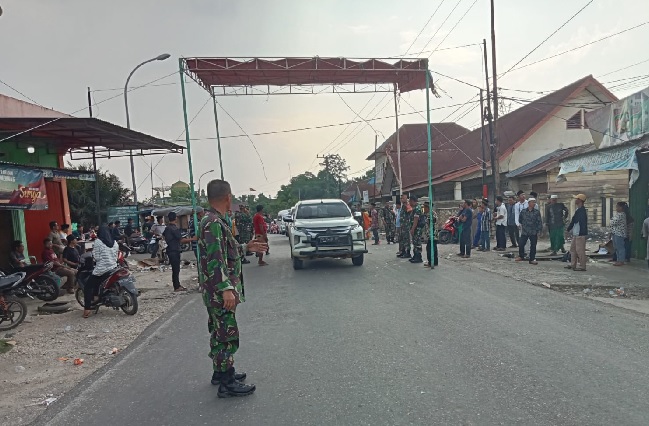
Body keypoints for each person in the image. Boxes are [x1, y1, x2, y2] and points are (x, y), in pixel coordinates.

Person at [199, 179, 267, 398]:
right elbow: (215, 259)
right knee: (226, 333)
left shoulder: (211, 220)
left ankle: (220, 373)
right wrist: (226, 288)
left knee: (218, 331)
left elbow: (223, 250)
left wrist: (245, 247)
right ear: (228, 197)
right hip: (219, 291)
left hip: (214, 289)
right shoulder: (214, 223)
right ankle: (227, 383)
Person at [83, 226, 119, 318]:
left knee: (87, 287)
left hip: (102, 269)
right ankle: (96, 297)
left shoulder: (98, 242)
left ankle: (87, 309)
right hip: (113, 267)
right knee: (97, 282)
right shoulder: (114, 242)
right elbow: (116, 256)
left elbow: (96, 257)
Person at [163, 212, 195, 292]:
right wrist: (193, 239)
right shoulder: (174, 228)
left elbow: (164, 236)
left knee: (175, 269)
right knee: (176, 269)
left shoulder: (167, 228)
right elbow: (182, 240)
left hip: (169, 250)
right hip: (174, 250)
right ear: (176, 218)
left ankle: (177, 285)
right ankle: (177, 286)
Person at [516, 198, 542, 265]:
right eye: (533, 202)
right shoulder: (523, 211)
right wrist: (524, 225)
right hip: (525, 231)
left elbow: (539, 221)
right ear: (529, 203)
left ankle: (532, 259)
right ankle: (521, 256)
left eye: (534, 202)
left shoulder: (536, 212)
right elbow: (520, 219)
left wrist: (539, 230)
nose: (534, 204)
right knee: (521, 244)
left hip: (533, 231)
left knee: (533, 245)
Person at [566, 194, 588, 272]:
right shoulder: (578, 210)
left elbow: (576, 222)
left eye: (577, 199)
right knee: (573, 250)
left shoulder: (581, 211)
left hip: (580, 233)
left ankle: (582, 266)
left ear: (580, 200)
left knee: (580, 250)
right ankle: (573, 264)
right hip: (576, 233)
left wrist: (569, 229)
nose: (575, 200)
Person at [610, 202, 629, 267]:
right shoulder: (618, 214)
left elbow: (613, 222)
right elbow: (612, 221)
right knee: (616, 247)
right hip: (615, 232)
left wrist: (611, 220)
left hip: (619, 233)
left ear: (621, 208)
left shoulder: (622, 214)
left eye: (618, 207)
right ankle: (618, 260)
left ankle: (621, 260)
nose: (616, 208)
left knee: (620, 247)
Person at [422, 199, 438, 268]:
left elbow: (432, 224)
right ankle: (434, 262)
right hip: (430, 235)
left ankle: (431, 262)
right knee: (432, 248)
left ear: (428, 208)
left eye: (425, 207)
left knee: (430, 248)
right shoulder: (428, 214)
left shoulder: (431, 215)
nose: (424, 209)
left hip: (432, 235)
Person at [408, 196, 424, 263]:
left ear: (413, 201)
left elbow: (416, 219)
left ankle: (418, 257)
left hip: (417, 228)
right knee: (415, 242)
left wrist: (412, 229)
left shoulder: (417, 208)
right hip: (415, 228)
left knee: (417, 242)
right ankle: (415, 256)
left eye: (410, 201)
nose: (409, 203)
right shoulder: (414, 208)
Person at [514, 191, 529, 258]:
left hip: (528, 223)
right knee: (522, 238)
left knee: (528, 238)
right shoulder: (517, 205)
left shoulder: (528, 203)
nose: (523, 196)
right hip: (521, 223)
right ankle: (523, 252)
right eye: (521, 195)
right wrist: (517, 223)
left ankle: (527, 251)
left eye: (524, 194)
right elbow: (516, 214)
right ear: (518, 197)